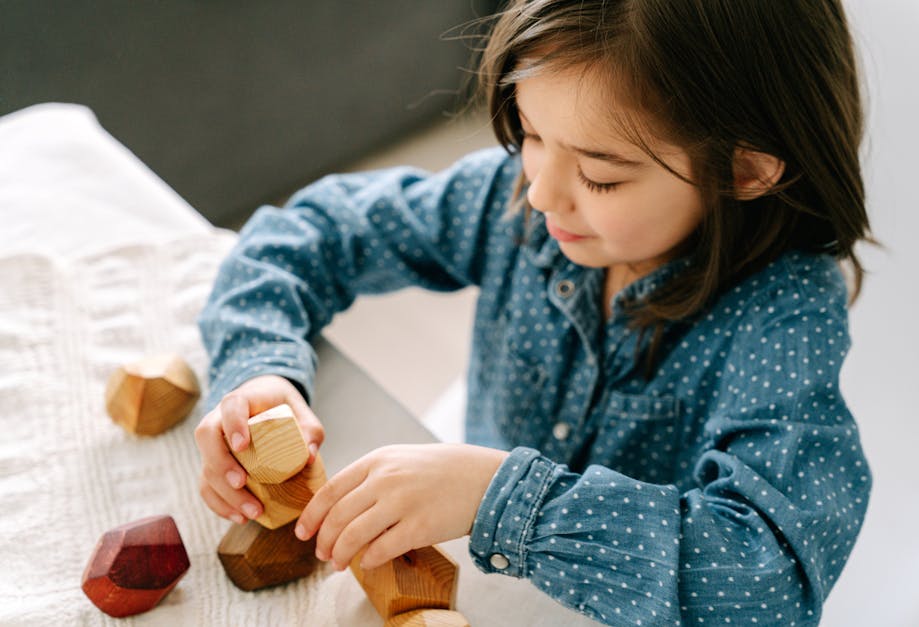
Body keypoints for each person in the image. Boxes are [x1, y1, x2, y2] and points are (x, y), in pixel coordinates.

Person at [194, 0, 874, 624]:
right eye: (529, 130)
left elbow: (769, 580)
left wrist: (501, 495)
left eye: (600, 175)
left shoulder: (784, 319)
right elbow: (302, 237)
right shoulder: (514, 195)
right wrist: (260, 371)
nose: (542, 191)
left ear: (744, 171)